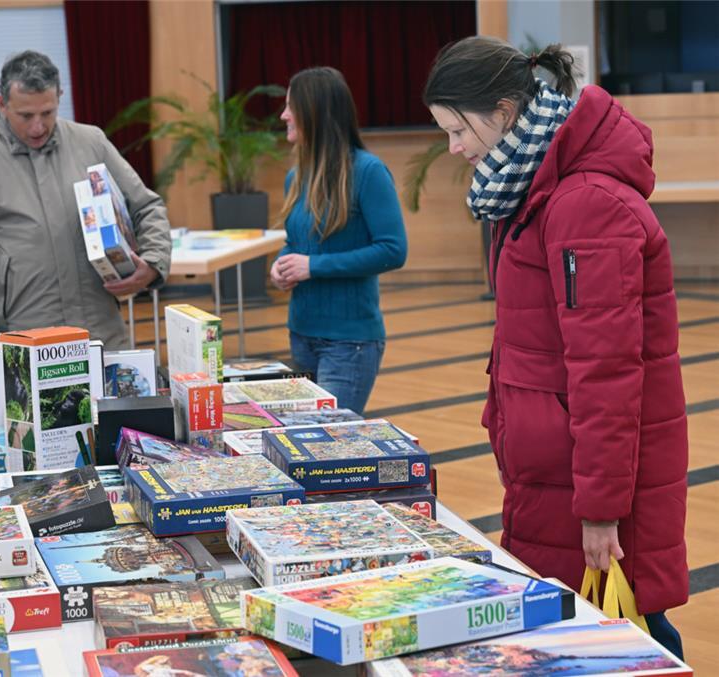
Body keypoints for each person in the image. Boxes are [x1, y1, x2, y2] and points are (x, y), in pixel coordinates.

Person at [423, 36, 688, 658]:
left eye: (458, 130)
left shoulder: (584, 205)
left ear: (506, 112)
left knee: (628, 634)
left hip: (589, 484)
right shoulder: (539, 192)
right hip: (556, 469)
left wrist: (600, 510)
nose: (455, 149)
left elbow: (607, 373)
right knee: (603, 633)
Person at [0, 50, 171, 379]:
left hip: (101, 333)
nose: (38, 126)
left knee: (111, 426)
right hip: (28, 338)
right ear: (1, 103)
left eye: (48, 112)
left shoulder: (91, 142)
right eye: (25, 115)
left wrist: (152, 263)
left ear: (60, 98)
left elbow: (147, 206)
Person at [271, 67, 407, 415]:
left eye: (291, 106)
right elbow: (296, 241)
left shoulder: (368, 172)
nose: (284, 115)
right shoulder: (295, 177)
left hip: (350, 344)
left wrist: (312, 267)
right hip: (302, 334)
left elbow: (393, 251)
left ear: (314, 112)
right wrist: (284, 265)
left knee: (326, 446)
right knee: (303, 444)